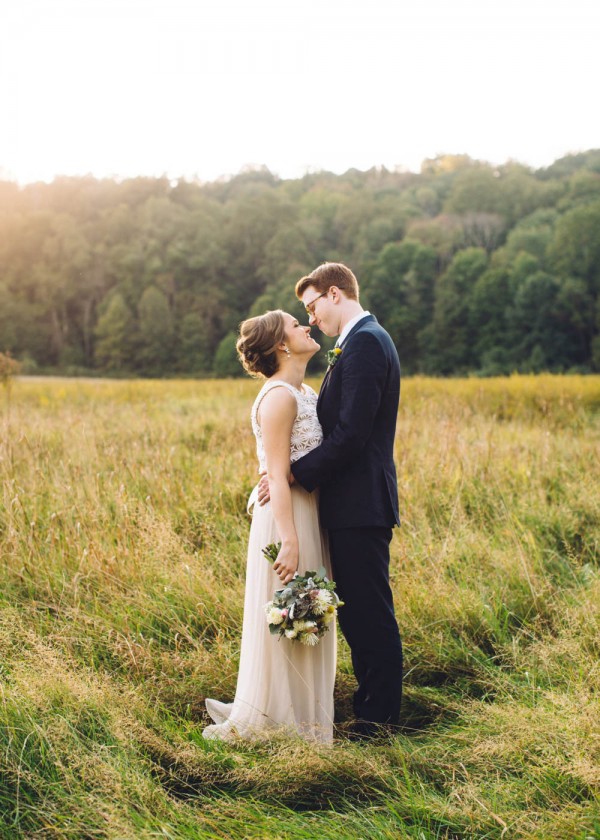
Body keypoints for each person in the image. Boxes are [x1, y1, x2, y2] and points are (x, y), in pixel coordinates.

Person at [259, 262, 403, 739]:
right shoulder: (358, 343)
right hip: (350, 504)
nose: (312, 317)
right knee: (360, 610)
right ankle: (370, 708)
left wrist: (292, 474)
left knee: (369, 611)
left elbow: (351, 436)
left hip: (361, 504)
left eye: (313, 305)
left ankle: (378, 719)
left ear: (335, 293)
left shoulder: (364, 344)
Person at [202, 310, 336, 743]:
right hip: (287, 518)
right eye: (298, 325)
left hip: (307, 511)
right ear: (281, 344)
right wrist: (290, 541)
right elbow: (276, 474)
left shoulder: (306, 392)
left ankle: (306, 715)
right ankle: (282, 720)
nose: (307, 327)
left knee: (312, 615)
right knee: (294, 612)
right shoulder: (279, 397)